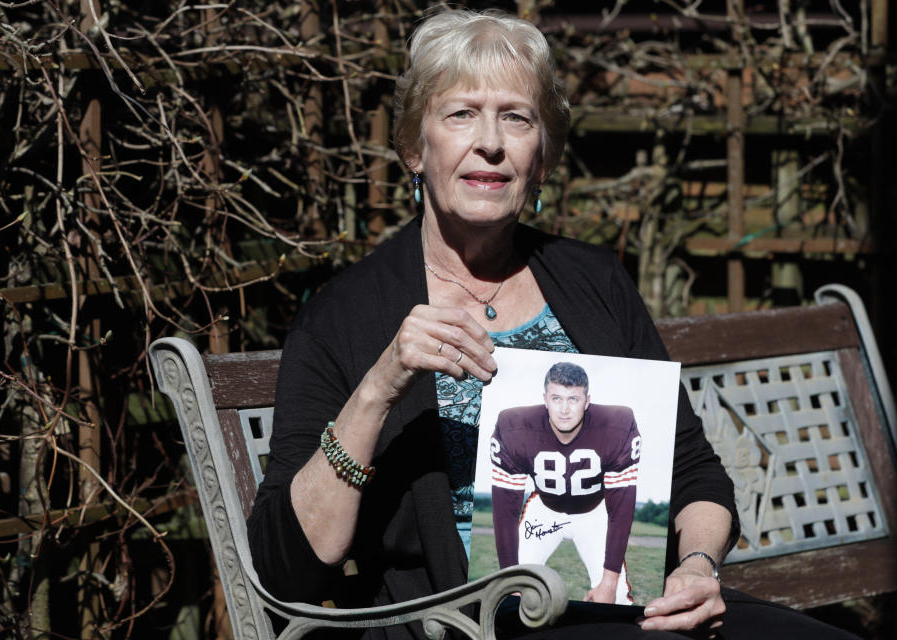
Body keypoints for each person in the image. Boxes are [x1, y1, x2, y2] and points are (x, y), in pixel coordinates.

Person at [247, 9, 858, 639]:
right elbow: (284, 570)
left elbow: (692, 468)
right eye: (461, 114)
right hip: (466, 623)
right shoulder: (344, 317)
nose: (490, 141)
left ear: (541, 159)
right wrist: (378, 387)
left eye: (516, 117)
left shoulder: (595, 282)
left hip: (630, 604)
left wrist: (697, 568)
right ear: (414, 147)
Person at [491, 362, 641, 605]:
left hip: (594, 513)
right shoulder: (514, 427)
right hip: (544, 511)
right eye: (556, 398)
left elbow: (621, 508)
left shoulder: (617, 426)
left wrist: (609, 583)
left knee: (619, 599)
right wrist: (510, 582)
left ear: (587, 401)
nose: (564, 409)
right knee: (508, 594)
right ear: (545, 399)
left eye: (573, 399)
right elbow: (505, 510)